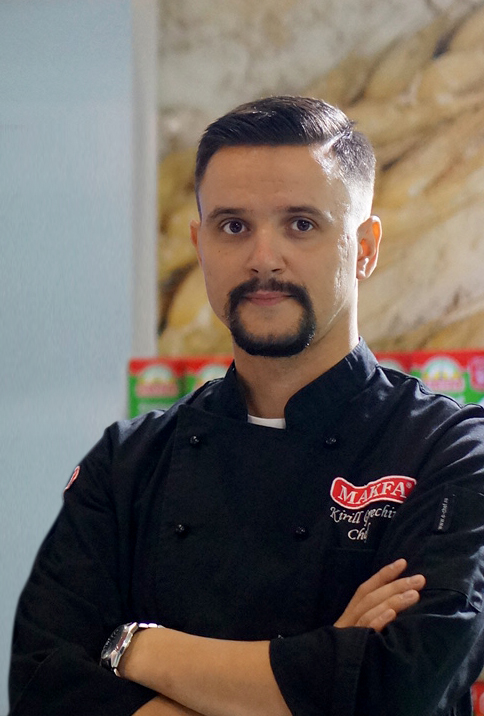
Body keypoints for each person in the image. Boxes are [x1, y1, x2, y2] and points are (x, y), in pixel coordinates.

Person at [8, 96, 484, 716]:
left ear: (365, 248)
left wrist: (139, 649)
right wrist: (326, 673)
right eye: (233, 226)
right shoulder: (125, 467)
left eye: (301, 224)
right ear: (199, 244)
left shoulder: (450, 452)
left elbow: (400, 687)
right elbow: (42, 688)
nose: (263, 258)